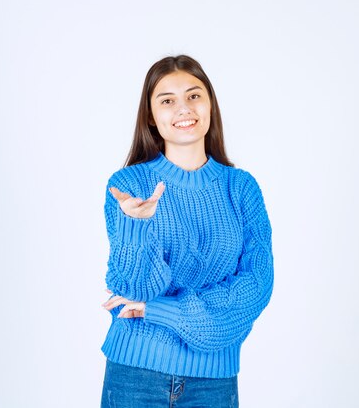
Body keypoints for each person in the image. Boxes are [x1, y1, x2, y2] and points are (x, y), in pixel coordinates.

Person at [100, 55, 274, 408]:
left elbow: (256, 287)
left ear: (210, 104)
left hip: (213, 382)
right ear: (151, 115)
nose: (184, 108)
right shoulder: (129, 185)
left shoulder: (241, 188)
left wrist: (163, 311)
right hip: (136, 373)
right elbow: (132, 292)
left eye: (194, 96)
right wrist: (135, 226)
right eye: (167, 100)